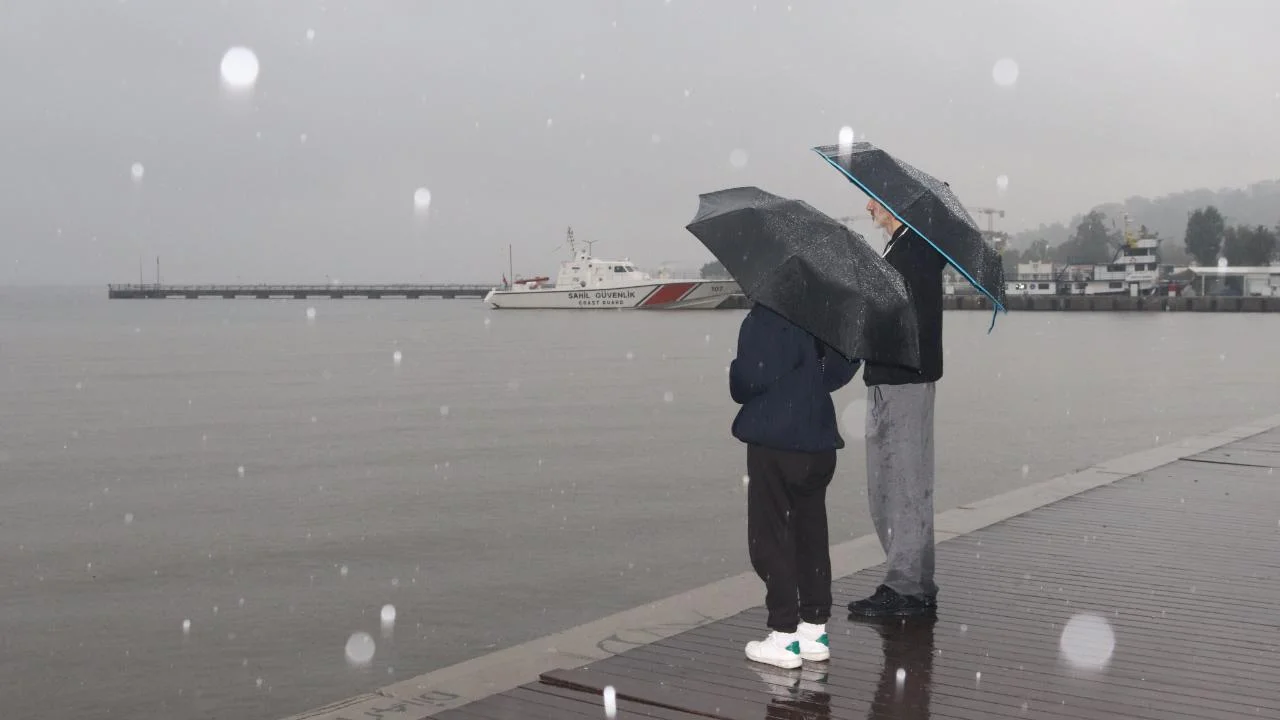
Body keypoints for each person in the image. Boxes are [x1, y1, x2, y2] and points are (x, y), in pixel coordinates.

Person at [729, 303, 859, 668]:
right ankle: (814, 629)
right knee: (810, 535)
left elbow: (746, 382)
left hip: (776, 440)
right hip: (818, 440)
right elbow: (840, 371)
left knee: (770, 538)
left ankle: (784, 634)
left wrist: (736, 372)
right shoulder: (829, 310)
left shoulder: (767, 314)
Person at [847, 198, 947, 618]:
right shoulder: (909, 249)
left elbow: (898, 319)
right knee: (903, 484)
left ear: (896, 206)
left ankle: (905, 587)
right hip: (902, 378)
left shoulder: (912, 253)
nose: (868, 207)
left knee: (897, 485)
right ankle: (914, 582)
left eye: (875, 200)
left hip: (900, 380)